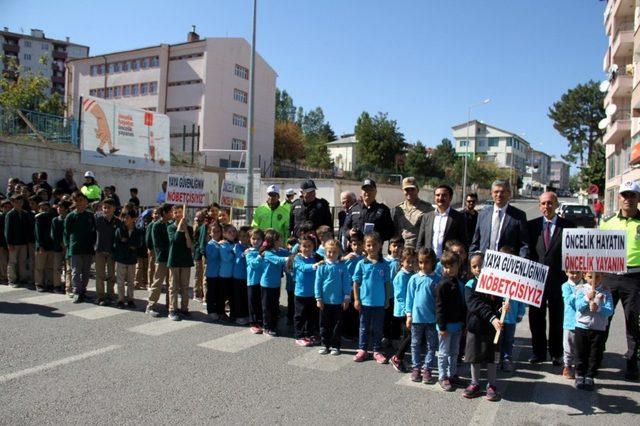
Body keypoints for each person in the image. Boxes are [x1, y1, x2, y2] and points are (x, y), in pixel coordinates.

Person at [526, 191, 576, 365]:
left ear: (556, 204)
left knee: (557, 317)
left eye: (550, 203)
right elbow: (527, 251)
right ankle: (538, 353)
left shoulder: (568, 226)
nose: (546, 207)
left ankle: (556, 353)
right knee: (536, 318)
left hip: (559, 281)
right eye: (543, 203)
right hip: (535, 280)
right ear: (539, 206)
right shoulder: (531, 226)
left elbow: (574, 254)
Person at [600, 180, 640, 380]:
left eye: (632, 195)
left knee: (633, 324)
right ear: (619, 198)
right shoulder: (607, 222)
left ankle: (632, 364)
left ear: (638, 198)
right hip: (609, 276)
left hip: (634, 278)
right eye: (625, 195)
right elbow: (596, 250)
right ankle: (596, 359)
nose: (628, 199)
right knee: (602, 320)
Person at [463, 251, 503, 401]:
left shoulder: (496, 284)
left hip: (493, 329)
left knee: (492, 357)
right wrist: (492, 317)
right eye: (474, 266)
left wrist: (502, 309)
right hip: (476, 328)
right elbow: (476, 306)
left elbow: (498, 304)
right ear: (471, 269)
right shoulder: (470, 285)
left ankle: (492, 384)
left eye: (481, 265)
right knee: (475, 357)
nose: (478, 268)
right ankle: (475, 383)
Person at [352, 232, 391, 364]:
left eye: (374, 245)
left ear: (380, 246)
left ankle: (377, 350)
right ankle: (362, 349)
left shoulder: (384, 265)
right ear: (364, 246)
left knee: (378, 328)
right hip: (364, 302)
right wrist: (356, 299)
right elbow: (356, 283)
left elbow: (387, 284)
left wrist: (386, 299)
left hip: (379, 303)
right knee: (363, 327)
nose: (371, 247)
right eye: (368, 245)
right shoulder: (361, 264)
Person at [574, 271, 614, 391]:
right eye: (590, 276)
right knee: (581, 352)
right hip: (582, 326)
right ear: (585, 276)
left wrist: (598, 308)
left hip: (598, 328)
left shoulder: (606, 292)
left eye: (597, 276)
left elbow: (610, 311)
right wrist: (587, 298)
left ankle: (590, 375)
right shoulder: (581, 290)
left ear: (602, 277)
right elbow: (578, 306)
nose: (594, 280)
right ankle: (580, 374)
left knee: (594, 353)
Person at [470, 180, 529, 258]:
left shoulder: (519, 216)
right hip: (484, 263)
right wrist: (471, 257)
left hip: (506, 265)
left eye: (502, 192)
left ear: (509, 193)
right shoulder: (483, 214)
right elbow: (476, 241)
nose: (499, 195)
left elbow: (524, 245)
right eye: (496, 192)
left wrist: (520, 263)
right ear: (491, 193)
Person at [405, 247, 439, 382]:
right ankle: (416, 368)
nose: (423, 265)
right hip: (417, 319)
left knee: (431, 346)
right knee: (415, 344)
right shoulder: (414, 279)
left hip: (432, 320)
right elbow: (410, 298)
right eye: (420, 262)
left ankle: (427, 369)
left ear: (433, 263)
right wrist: (408, 315)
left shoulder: (437, 279)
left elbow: (439, 301)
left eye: (426, 262)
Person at [435, 251, 466, 391]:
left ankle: (452, 374)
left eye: (452, 266)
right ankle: (442, 376)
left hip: (457, 325)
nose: (449, 269)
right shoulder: (442, 284)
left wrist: (463, 323)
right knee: (443, 353)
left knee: (454, 352)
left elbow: (462, 305)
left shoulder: (460, 283)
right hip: (445, 326)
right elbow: (439, 307)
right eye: (446, 267)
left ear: (458, 265)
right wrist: (441, 327)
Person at [315, 239, 351, 355]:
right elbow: (318, 283)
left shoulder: (342, 266)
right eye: (329, 252)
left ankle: (336, 346)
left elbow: (346, 282)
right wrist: (318, 298)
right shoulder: (322, 266)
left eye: (334, 252)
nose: (331, 254)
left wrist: (346, 297)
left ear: (339, 253)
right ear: (325, 252)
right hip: (324, 302)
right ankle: (324, 344)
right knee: (324, 325)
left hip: (338, 302)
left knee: (337, 325)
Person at [416, 184, 467, 257]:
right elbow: (420, 241)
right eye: (437, 195)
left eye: (444, 195)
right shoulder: (427, 217)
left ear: (450, 198)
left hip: (449, 262)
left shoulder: (459, 217)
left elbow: (463, 241)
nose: (440, 198)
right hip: (429, 261)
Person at [64, 191, 97, 303]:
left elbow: (94, 232)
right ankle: (77, 291)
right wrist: (68, 247)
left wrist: (93, 245)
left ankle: (83, 291)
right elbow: (66, 233)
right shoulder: (70, 216)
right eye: (76, 201)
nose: (79, 203)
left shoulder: (90, 215)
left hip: (88, 248)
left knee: (86, 271)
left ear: (86, 202)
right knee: (75, 271)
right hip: (75, 248)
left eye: (81, 200)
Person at [292, 234, 322, 346]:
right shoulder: (297, 258)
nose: (307, 248)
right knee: (300, 316)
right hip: (301, 293)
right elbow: (303, 268)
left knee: (311, 316)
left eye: (309, 246)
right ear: (300, 247)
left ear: (314, 246)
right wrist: (315, 266)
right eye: (304, 246)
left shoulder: (316, 257)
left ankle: (309, 334)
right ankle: (299, 336)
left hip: (313, 293)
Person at [389, 248, 416, 373]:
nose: (410, 264)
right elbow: (400, 297)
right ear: (402, 262)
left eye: (412, 262)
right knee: (409, 335)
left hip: (410, 310)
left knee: (407, 336)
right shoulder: (401, 276)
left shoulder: (412, 274)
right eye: (408, 262)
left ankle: (401, 357)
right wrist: (407, 311)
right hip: (403, 311)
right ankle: (397, 357)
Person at [259, 229, 290, 336]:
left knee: (274, 306)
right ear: (273, 242)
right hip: (267, 284)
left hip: (276, 284)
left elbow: (290, 252)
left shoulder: (279, 250)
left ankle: (273, 325)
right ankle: (266, 327)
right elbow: (278, 260)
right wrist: (289, 258)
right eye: (279, 240)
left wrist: (296, 250)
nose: (281, 241)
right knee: (267, 307)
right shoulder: (267, 253)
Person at [344, 179, 394, 243]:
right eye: (365, 190)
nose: (367, 192)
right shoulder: (354, 209)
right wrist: (349, 233)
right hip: (357, 249)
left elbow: (391, 231)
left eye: (370, 189)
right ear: (361, 192)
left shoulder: (383, 210)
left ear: (375, 192)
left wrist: (377, 236)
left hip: (374, 249)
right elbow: (345, 228)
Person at [166, 205, 194, 321]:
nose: (178, 214)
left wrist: (185, 230)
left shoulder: (190, 228)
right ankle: (172, 310)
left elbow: (189, 245)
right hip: (174, 260)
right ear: (173, 214)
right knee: (173, 286)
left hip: (185, 260)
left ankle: (184, 308)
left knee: (185, 286)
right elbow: (175, 241)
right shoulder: (170, 228)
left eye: (180, 212)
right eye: (176, 212)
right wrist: (179, 228)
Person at [146, 203, 173, 317]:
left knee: (171, 284)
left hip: (171, 258)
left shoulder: (171, 224)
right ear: (165, 213)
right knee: (157, 282)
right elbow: (158, 244)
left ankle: (170, 306)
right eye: (171, 211)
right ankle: (150, 306)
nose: (172, 213)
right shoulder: (157, 225)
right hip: (162, 258)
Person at [392, 177, 434, 249]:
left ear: (418, 190)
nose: (409, 192)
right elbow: (395, 231)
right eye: (406, 190)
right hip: (401, 250)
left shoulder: (427, 208)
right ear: (402, 190)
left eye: (412, 189)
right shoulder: (398, 209)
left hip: (418, 250)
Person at [113, 207, 143, 309]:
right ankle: (120, 300)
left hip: (132, 259)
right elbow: (118, 243)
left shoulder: (137, 230)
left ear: (134, 219)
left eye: (128, 217)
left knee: (131, 281)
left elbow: (138, 244)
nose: (125, 219)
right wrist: (129, 244)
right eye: (124, 217)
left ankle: (130, 299)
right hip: (121, 258)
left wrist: (127, 242)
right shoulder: (120, 229)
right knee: (120, 281)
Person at [561, 270, 584, 380]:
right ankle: (567, 365)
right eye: (572, 272)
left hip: (583, 322)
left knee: (580, 346)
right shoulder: (565, 286)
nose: (575, 275)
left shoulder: (586, 285)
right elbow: (568, 300)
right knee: (568, 346)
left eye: (577, 273)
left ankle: (579, 367)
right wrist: (576, 292)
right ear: (566, 272)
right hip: (569, 322)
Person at [5, 195, 30, 287]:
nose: (19, 204)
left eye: (21, 202)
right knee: (12, 262)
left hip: (23, 242)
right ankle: (12, 280)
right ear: (13, 203)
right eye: (17, 202)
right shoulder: (10, 215)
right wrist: (9, 243)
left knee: (22, 261)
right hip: (13, 243)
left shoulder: (25, 213)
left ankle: (22, 278)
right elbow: (7, 230)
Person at [245, 228, 265, 333]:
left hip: (262, 282)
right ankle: (253, 323)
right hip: (252, 281)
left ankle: (261, 321)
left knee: (260, 302)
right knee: (253, 303)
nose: (255, 241)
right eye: (253, 238)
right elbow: (253, 264)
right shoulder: (249, 252)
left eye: (258, 239)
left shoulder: (264, 251)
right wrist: (260, 256)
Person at [50, 200, 71, 294]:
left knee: (68, 268)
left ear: (66, 209)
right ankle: (57, 285)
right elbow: (53, 235)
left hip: (68, 246)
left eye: (61, 207)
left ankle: (68, 286)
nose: (58, 209)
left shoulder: (69, 219)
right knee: (57, 267)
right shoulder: (55, 220)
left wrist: (66, 243)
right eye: (58, 207)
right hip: (57, 247)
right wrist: (59, 243)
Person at [34, 201, 55, 292]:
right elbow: (38, 234)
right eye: (42, 209)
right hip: (41, 246)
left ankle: (49, 283)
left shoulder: (52, 218)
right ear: (39, 209)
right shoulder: (39, 219)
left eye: (46, 208)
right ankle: (39, 284)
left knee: (50, 266)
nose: (44, 210)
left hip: (51, 246)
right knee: (40, 267)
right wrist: (40, 246)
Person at [218, 224, 237, 321]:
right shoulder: (223, 245)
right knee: (223, 295)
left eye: (234, 231)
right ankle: (221, 313)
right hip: (224, 274)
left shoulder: (235, 244)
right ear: (224, 234)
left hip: (233, 275)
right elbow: (226, 258)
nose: (232, 233)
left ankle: (233, 313)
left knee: (232, 295)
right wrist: (234, 252)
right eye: (229, 232)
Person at [233, 226, 251, 325]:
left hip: (247, 276)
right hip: (238, 276)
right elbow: (239, 254)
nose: (243, 238)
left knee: (245, 296)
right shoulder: (237, 246)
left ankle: (245, 315)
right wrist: (245, 253)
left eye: (245, 236)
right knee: (239, 297)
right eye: (241, 236)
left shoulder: (248, 246)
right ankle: (239, 316)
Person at [205, 222, 222, 319]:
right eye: (214, 231)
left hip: (220, 273)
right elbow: (212, 257)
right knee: (211, 293)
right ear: (210, 233)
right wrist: (219, 248)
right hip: (212, 273)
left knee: (218, 293)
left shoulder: (221, 243)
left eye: (218, 231)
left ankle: (219, 310)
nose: (216, 233)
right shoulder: (210, 245)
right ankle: (211, 310)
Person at [0, 199, 11, 285]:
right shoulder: (1, 217)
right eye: (5, 207)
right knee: (3, 262)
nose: (7, 209)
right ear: (2, 208)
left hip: (9, 243)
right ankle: (3, 277)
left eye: (9, 207)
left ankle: (7, 276)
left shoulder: (10, 216)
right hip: (1, 243)